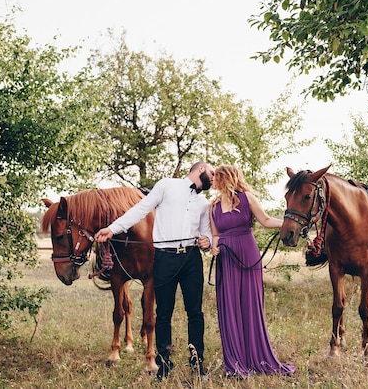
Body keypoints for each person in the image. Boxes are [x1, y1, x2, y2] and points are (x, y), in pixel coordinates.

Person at [95, 161, 214, 382]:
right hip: (165, 257)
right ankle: (164, 366)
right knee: (163, 313)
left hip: (191, 259)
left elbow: (205, 234)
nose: (214, 177)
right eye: (212, 172)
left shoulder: (204, 204)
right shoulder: (166, 185)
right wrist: (112, 229)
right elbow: (139, 210)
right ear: (200, 169)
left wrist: (206, 242)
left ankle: (197, 364)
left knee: (195, 313)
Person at [209, 164, 295, 378]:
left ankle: (257, 357)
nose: (213, 181)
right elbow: (216, 236)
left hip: (247, 253)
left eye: (216, 177)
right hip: (226, 258)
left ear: (225, 178)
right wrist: (213, 247)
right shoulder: (212, 207)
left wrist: (287, 223)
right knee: (229, 308)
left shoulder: (246, 198)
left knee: (250, 305)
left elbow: (265, 220)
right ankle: (235, 363)